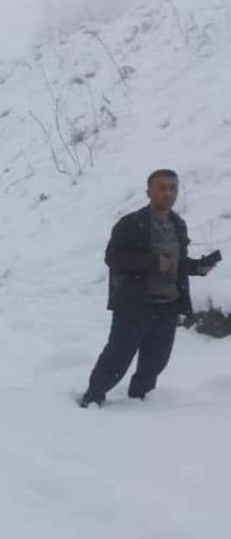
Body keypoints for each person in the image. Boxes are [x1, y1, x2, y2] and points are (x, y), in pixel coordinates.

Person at [80, 169, 217, 407]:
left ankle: (140, 402)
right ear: (149, 191)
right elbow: (113, 258)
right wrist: (151, 262)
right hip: (134, 306)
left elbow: (177, 263)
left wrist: (197, 267)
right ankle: (92, 399)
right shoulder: (131, 223)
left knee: (155, 362)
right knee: (117, 359)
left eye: (173, 188)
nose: (168, 193)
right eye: (162, 187)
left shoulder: (177, 224)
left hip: (168, 306)